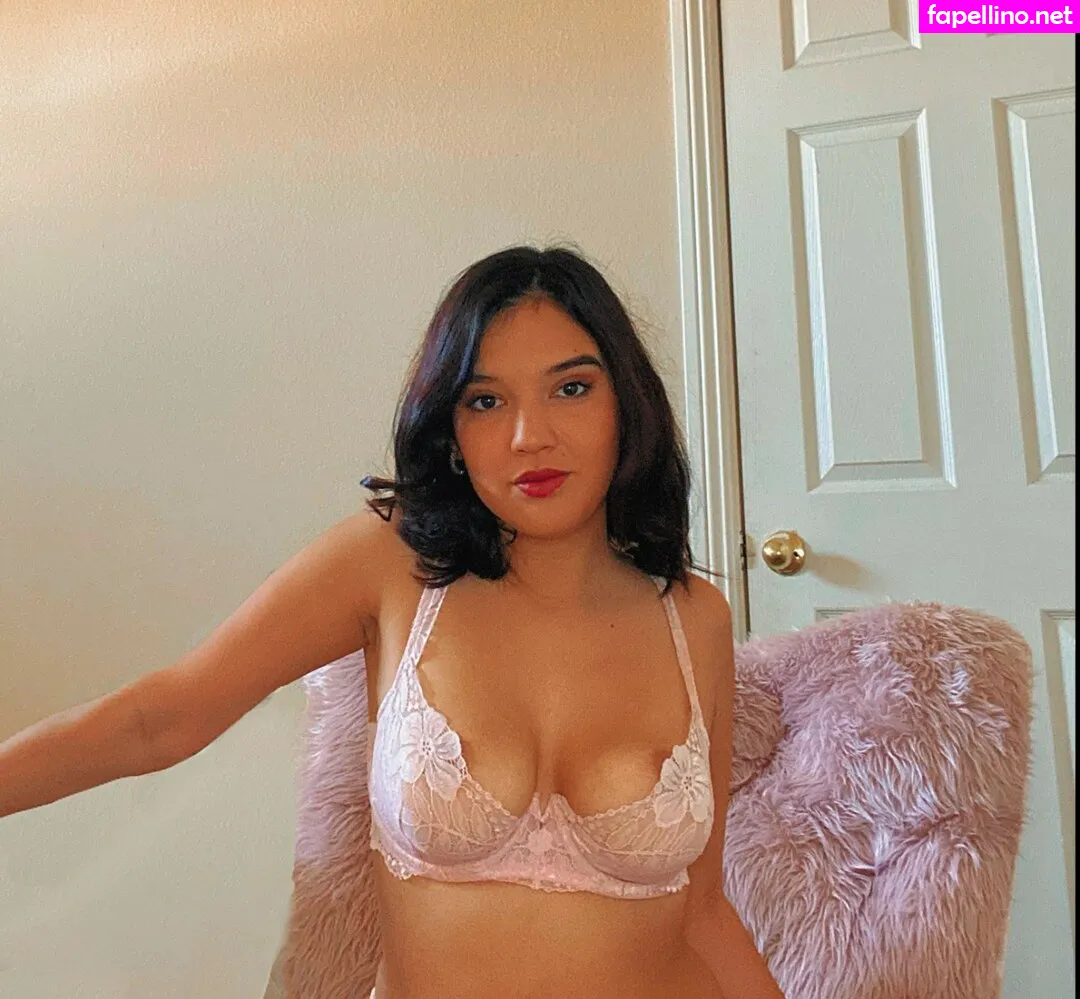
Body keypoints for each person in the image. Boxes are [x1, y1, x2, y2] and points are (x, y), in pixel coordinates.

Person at [0, 246, 785, 998]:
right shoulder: (390, 564)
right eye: (486, 401)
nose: (530, 436)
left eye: (571, 387)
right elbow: (161, 717)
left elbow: (703, 909)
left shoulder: (693, 619)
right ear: (452, 432)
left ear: (626, 404)